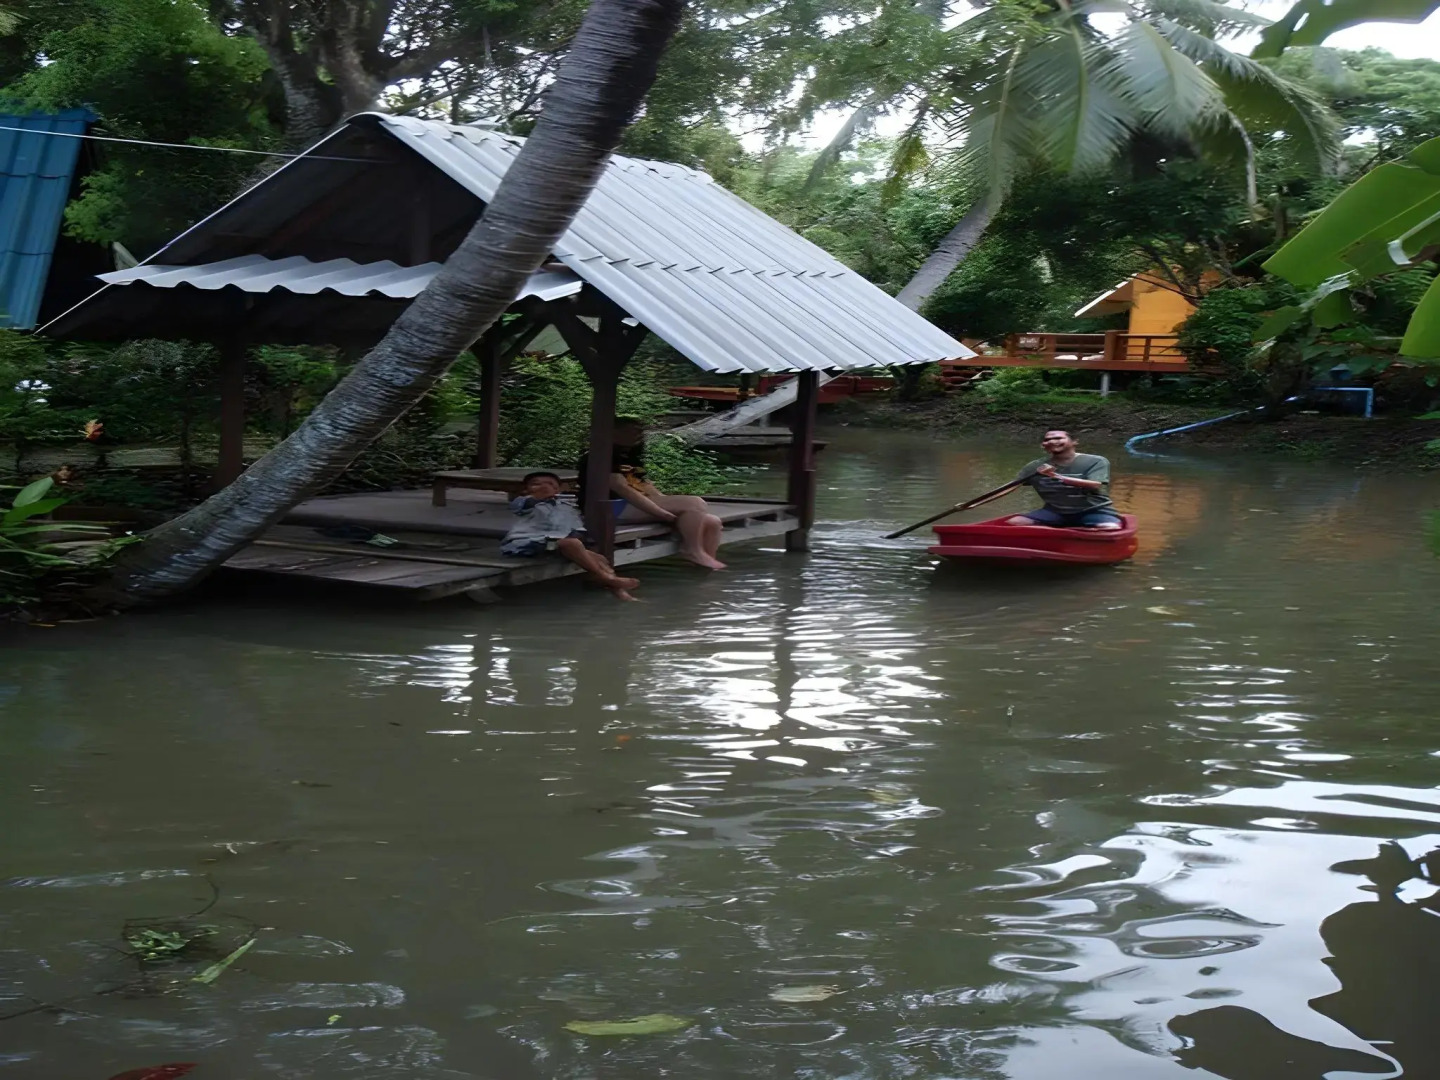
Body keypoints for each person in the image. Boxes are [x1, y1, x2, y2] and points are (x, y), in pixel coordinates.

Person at [577, 417, 727, 570]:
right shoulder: (599, 455)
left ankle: (706, 570)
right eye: (632, 431)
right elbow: (625, 490)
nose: (638, 434)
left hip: (634, 506)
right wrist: (663, 514)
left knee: (712, 522)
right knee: (695, 502)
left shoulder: (631, 453)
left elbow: (643, 482)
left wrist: (665, 501)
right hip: (610, 508)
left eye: (640, 431)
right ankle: (692, 550)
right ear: (615, 433)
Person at [501, 471, 640, 601]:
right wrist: (537, 496)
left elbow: (576, 527)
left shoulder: (566, 507)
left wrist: (582, 545)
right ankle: (607, 578)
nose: (544, 486)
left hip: (556, 543)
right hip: (526, 543)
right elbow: (522, 506)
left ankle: (621, 593)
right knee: (572, 544)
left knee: (600, 558)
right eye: (537, 484)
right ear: (526, 490)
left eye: (550, 484)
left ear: (557, 491)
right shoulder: (523, 502)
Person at [1005, 429, 1122, 529]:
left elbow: (1095, 484)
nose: (1051, 442)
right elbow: (1012, 486)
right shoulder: (1035, 466)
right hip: (1055, 512)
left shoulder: (1096, 461)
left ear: (1074, 441)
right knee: (1014, 523)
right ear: (1043, 445)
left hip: (1093, 511)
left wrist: (1055, 476)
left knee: (1110, 528)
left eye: (1058, 438)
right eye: (1046, 440)